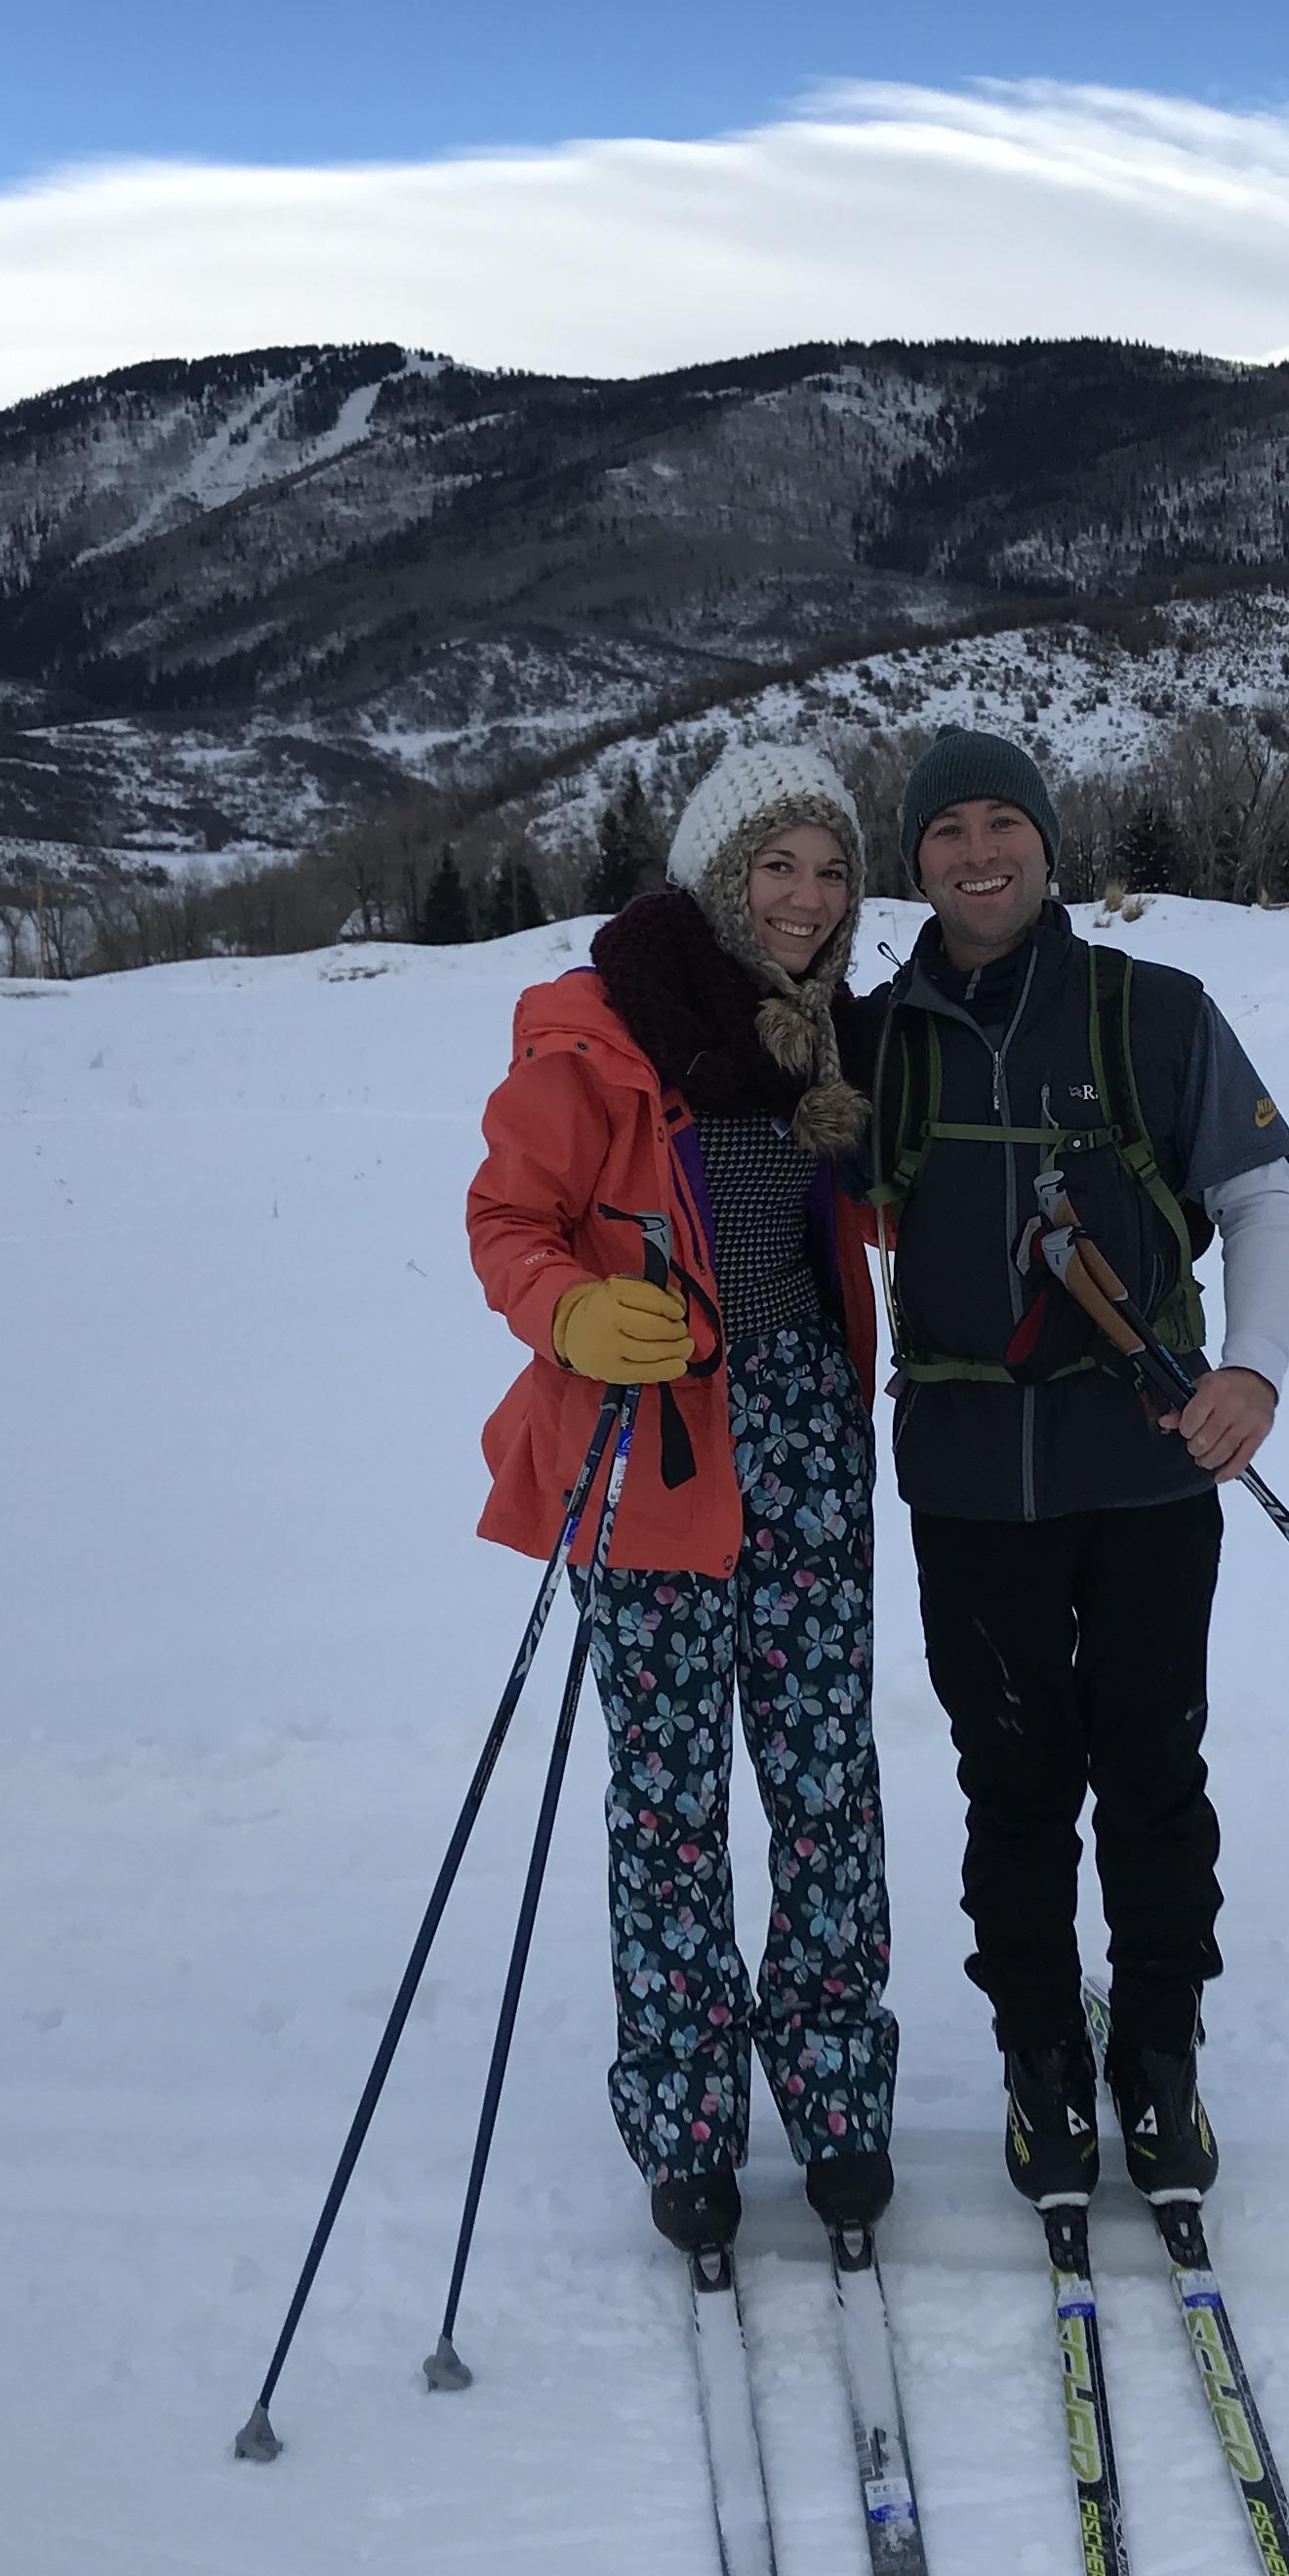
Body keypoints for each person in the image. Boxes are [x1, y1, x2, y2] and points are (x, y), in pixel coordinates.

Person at [864, 726, 1289, 2212]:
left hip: (1147, 1468)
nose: (978, 852)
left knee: (1151, 1772)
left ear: (1047, 844)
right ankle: (1044, 2061)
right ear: (911, 862)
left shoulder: (1151, 1011)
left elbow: (1259, 1193)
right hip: (971, 1483)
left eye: (1004, 823)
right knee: (1012, 1781)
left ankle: (1159, 2056)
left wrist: (1251, 1369)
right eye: (947, 832)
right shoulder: (877, 1046)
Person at [466, 743, 898, 2253]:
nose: (807, 897)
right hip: (650, 1459)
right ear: (721, 874)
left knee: (827, 1783)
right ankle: (689, 2116)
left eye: (833, 869)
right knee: (668, 1807)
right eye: (777, 865)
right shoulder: (601, 1035)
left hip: (807, 1450)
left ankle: (838, 2098)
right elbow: (507, 1218)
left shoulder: (828, 1036)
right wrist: (568, 1307)